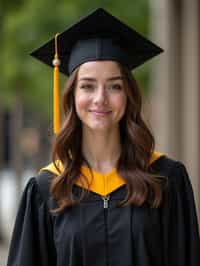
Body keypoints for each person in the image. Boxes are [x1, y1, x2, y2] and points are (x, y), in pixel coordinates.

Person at [7, 8, 200, 266]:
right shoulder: (47, 189)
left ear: (128, 95)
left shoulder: (165, 180)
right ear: (72, 95)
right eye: (88, 85)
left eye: (114, 86)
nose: (100, 98)